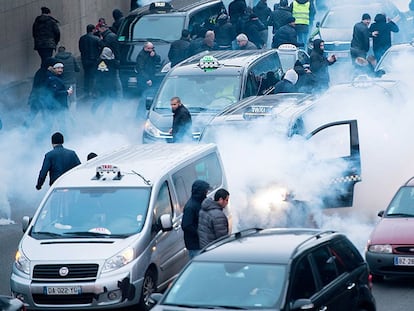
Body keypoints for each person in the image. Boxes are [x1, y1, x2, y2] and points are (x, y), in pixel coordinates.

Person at [182, 180, 211, 259]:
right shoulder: (190, 207)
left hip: (202, 244)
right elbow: (186, 225)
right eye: (205, 191)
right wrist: (201, 232)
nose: (206, 193)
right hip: (195, 246)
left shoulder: (200, 202)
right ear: (201, 192)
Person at [79, 24, 104, 99]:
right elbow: (102, 47)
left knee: (86, 76)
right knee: (94, 76)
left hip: (85, 60)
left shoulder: (82, 38)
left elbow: (80, 49)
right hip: (94, 60)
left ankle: (86, 92)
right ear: (93, 30)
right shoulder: (96, 38)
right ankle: (93, 92)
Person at [92, 47, 120, 113]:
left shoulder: (98, 61)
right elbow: (118, 66)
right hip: (111, 83)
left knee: (103, 97)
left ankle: (94, 107)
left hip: (100, 83)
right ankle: (108, 112)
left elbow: (94, 71)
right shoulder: (112, 62)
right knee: (111, 97)